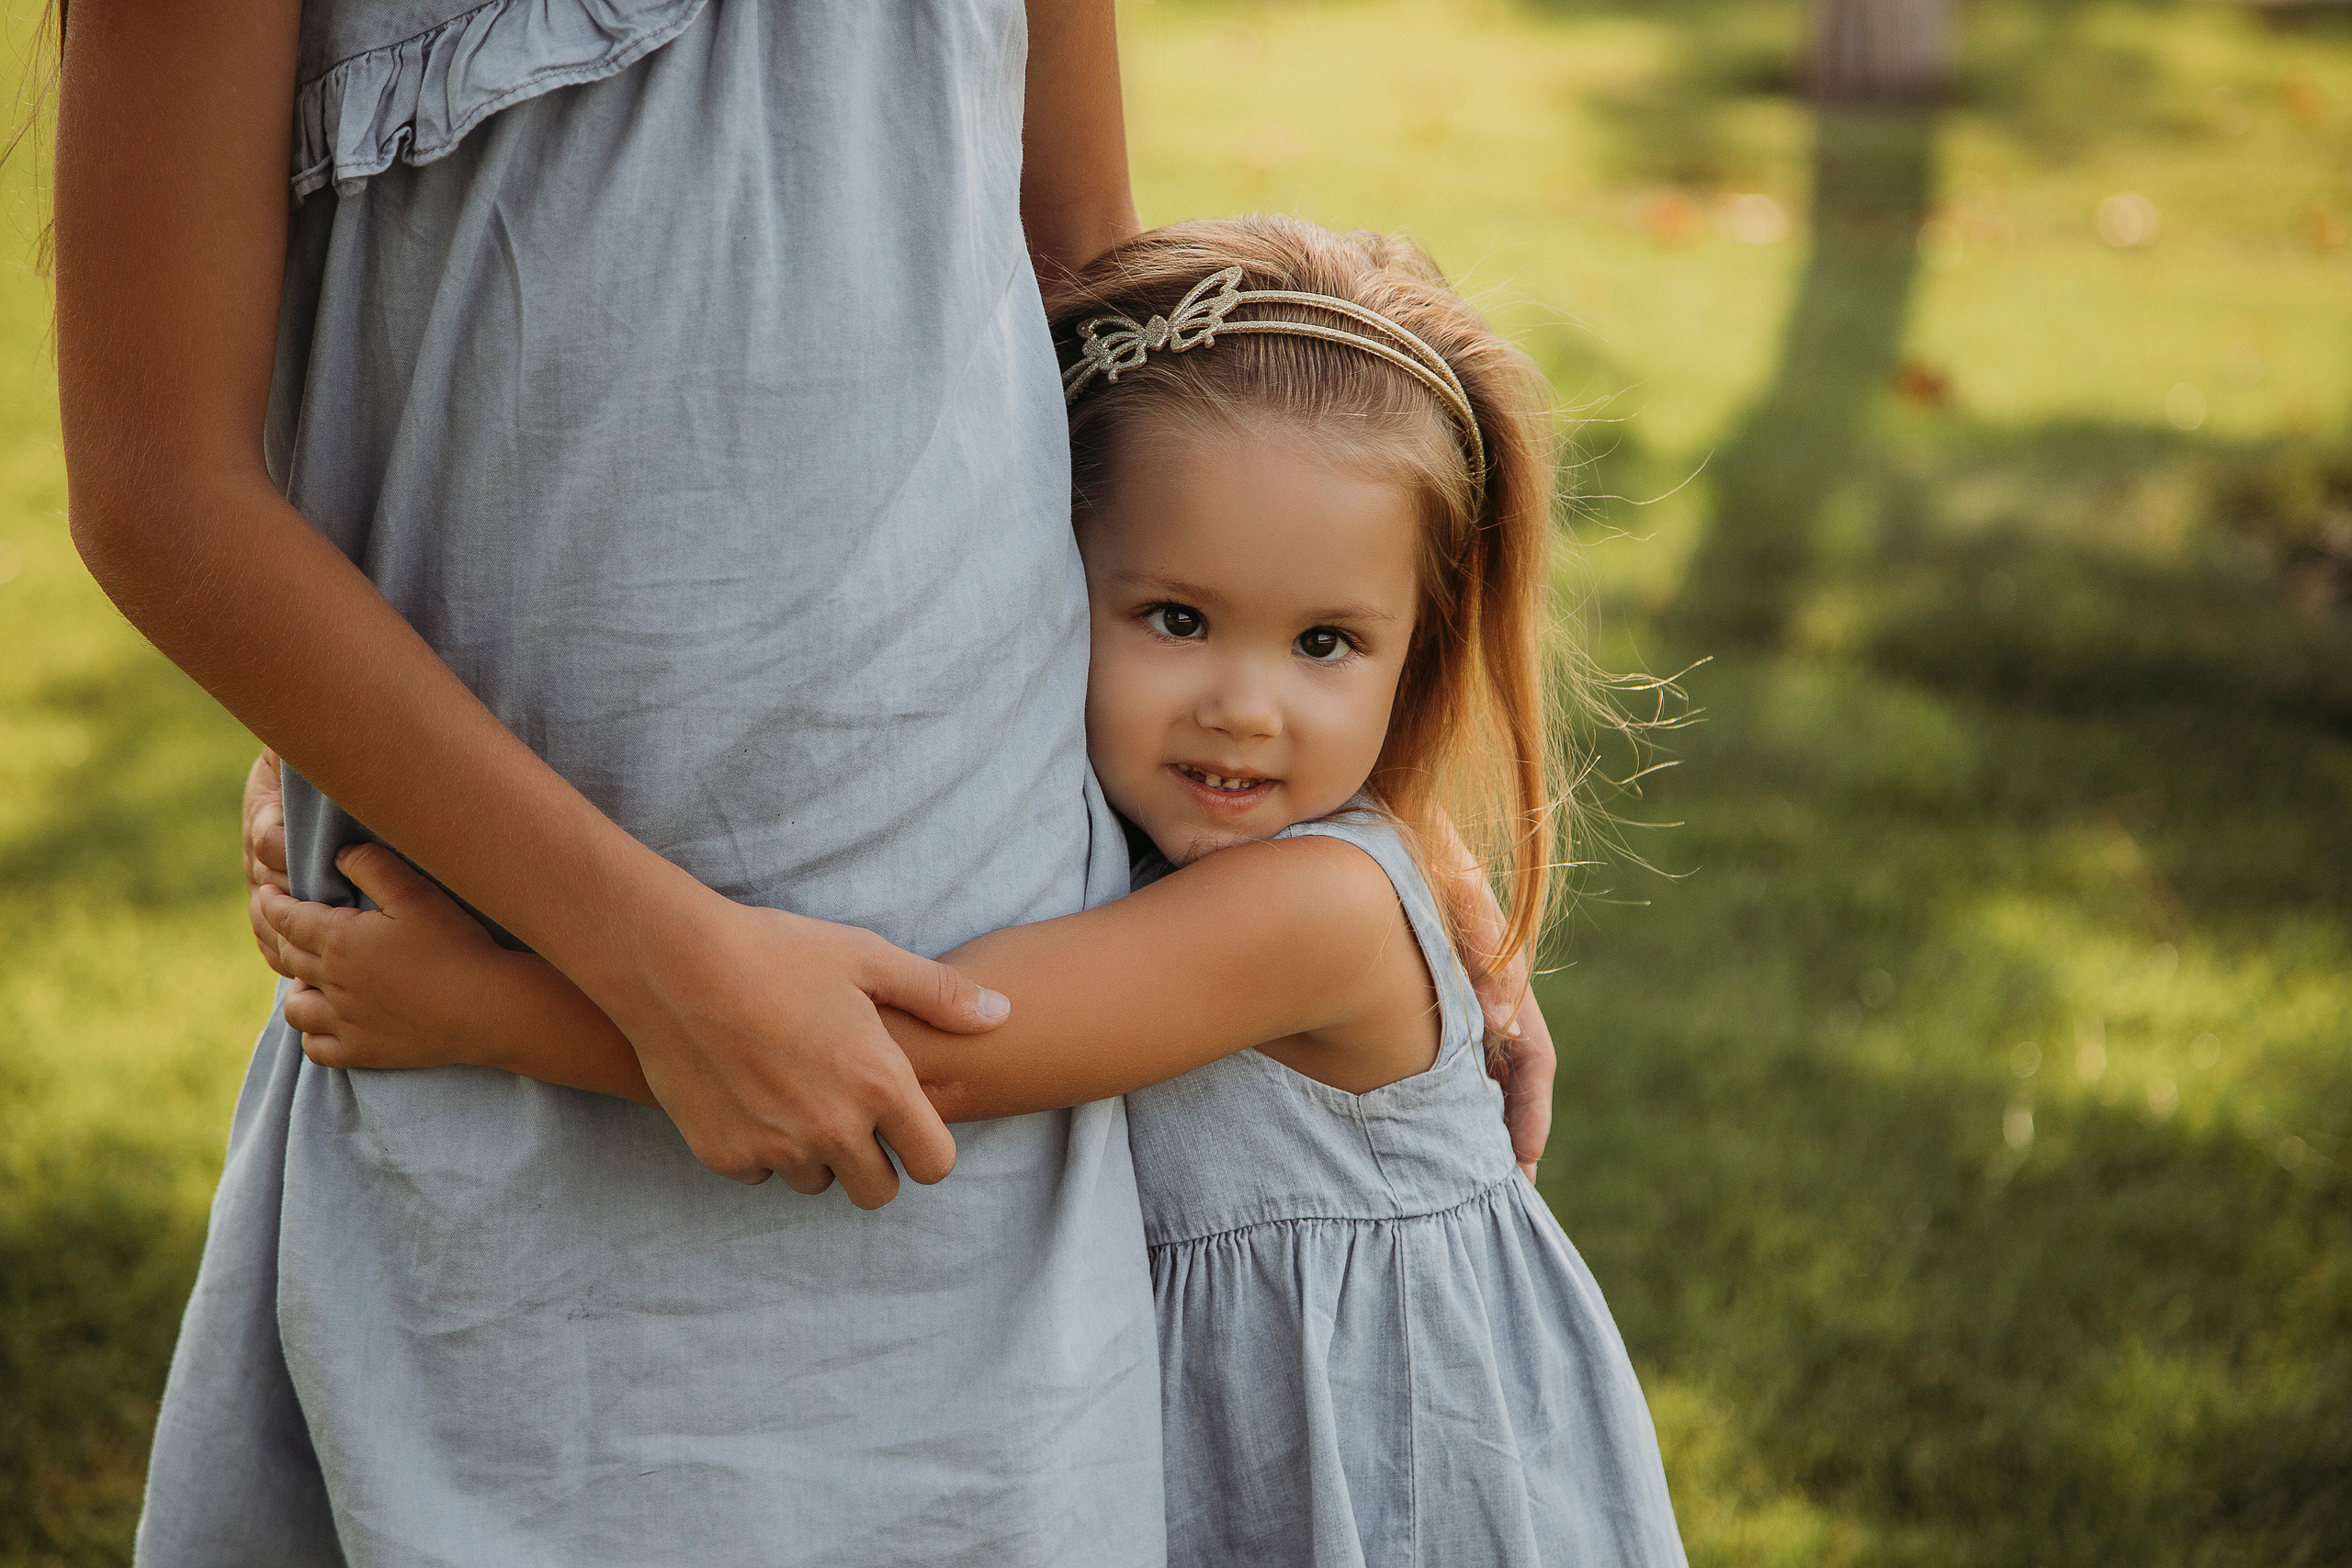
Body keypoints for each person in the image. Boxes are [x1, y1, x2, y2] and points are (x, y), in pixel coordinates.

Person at [256, 214, 1683, 1568]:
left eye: (1325, 643)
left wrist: (482, 1011)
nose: (1245, 708)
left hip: (1386, 1475)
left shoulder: (1316, 909)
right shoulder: (1140, 825)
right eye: (1177, 618)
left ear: (1418, 648)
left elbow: (917, 1060)